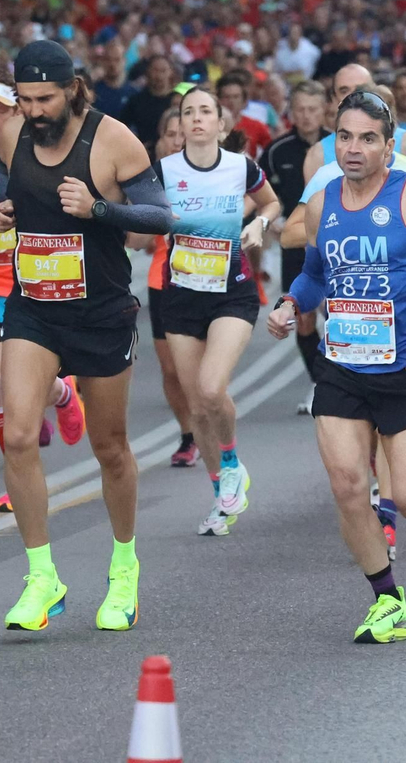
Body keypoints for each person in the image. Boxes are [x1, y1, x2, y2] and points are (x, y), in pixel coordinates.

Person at [0, 39, 174, 631]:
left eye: (44, 99)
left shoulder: (113, 139)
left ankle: (123, 570)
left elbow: (160, 215)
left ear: (72, 89)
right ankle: (43, 577)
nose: (33, 111)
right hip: (34, 306)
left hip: (100, 311)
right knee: (18, 435)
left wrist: (99, 210)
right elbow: (1, 186)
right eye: (25, 99)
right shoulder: (14, 133)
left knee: (110, 447)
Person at [266, 89, 406, 643]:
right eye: (344, 136)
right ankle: (387, 598)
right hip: (343, 366)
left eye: (368, 139)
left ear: (389, 145)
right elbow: (314, 275)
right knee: (349, 484)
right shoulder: (322, 202)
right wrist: (290, 304)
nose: (353, 149)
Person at [0, 77, 84, 514]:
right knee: (0, 383)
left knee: (26, 384)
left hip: (35, 279)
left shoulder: (41, 153)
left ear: (19, 112)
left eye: (1, 110)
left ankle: (61, 394)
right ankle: (18, 475)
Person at [155, 85, 280, 536]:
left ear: (221, 125)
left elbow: (271, 201)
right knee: (197, 406)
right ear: (181, 126)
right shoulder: (163, 171)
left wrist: (260, 224)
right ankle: (220, 499)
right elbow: (139, 219)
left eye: (206, 111)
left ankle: (231, 463)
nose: (197, 118)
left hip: (232, 291)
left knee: (211, 388)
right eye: (189, 112)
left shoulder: (240, 166)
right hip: (181, 295)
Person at [263, 81, 329, 415]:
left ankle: (339, 378)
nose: (306, 116)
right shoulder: (277, 151)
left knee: (334, 315)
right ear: (292, 111)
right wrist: (270, 220)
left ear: (325, 111)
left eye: (313, 109)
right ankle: (320, 381)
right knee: (302, 319)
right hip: (294, 243)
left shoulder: (337, 145)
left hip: (332, 243)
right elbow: (261, 195)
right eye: (300, 109)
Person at [137, 107, 199, 464]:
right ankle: (188, 435)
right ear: (161, 140)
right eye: (171, 134)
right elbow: (139, 239)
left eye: (183, 133)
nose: (178, 140)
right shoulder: (149, 179)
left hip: (205, 280)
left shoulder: (212, 174)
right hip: (163, 279)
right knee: (172, 370)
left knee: (200, 371)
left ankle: (212, 426)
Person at [301, 63, 406, 185]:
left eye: (362, 88)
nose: (354, 96)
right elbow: (310, 212)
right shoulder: (318, 155)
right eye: (344, 90)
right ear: (333, 98)